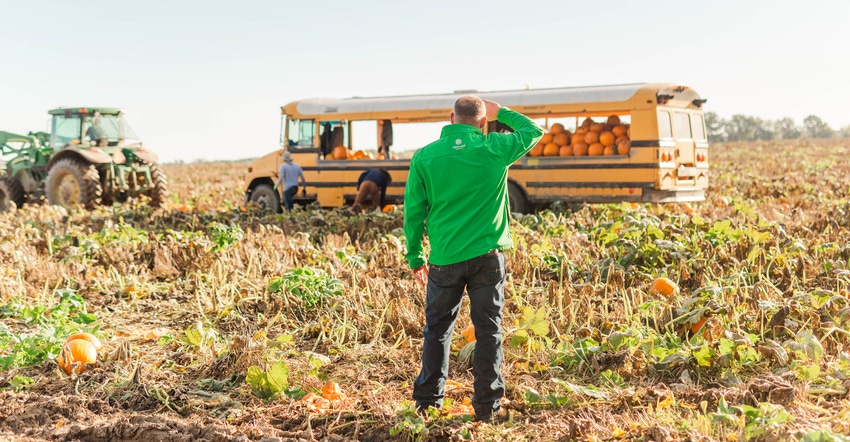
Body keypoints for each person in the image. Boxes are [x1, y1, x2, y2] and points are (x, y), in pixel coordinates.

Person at [404, 95, 543, 422]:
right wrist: (502, 112)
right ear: (483, 122)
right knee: (489, 331)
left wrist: (415, 256)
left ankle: (427, 405)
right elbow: (533, 130)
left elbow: (413, 213)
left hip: (444, 259)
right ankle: (486, 408)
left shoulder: (424, 157)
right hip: (487, 258)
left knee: (437, 331)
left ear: (451, 118)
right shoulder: (495, 148)